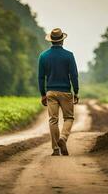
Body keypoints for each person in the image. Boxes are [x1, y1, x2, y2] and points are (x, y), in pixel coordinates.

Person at [38, 28, 79, 156]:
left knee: (53, 120)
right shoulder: (69, 55)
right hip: (65, 92)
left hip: (50, 92)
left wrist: (43, 94)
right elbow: (74, 75)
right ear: (62, 40)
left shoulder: (43, 56)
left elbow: (41, 77)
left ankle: (56, 149)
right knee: (69, 118)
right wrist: (76, 91)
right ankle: (63, 138)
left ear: (51, 41)